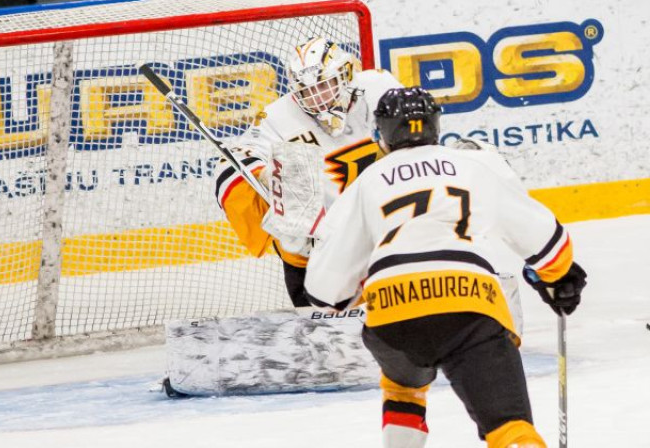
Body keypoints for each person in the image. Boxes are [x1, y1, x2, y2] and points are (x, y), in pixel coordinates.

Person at [303, 87, 587, 447]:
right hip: (467, 304)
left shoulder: (365, 183)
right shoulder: (472, 166)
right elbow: (547, 241)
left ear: (382, 135)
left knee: (403, 388)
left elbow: (323, 290)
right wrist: (559, 278)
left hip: (391, 311)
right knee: (509, 427)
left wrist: (353, 292)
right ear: (437, 127)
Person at [215, 36, 403, 307]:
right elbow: (233, 162)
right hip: (316, 248)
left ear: (346, 75)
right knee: (323, 337)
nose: (317, 99)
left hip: (382, 226)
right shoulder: (277, 117)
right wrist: (268, 176)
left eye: (325, 86)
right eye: (306, 91)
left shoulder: (377, 87)